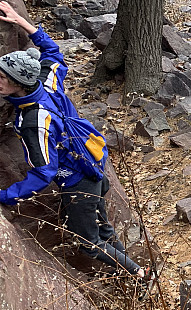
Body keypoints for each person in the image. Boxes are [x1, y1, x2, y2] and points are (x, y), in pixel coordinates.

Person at [0, 1, 152, 286]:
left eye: (2, 78)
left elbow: (44, 171)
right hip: (93, 164)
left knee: (90, 244)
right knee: (104, 233)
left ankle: (140, 276)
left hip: (78, 183)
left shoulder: (35, 121)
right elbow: (54, 53)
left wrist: (6, 196)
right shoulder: (46, 82)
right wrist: (23, 23)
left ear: (19, 84)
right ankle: (135, 274)